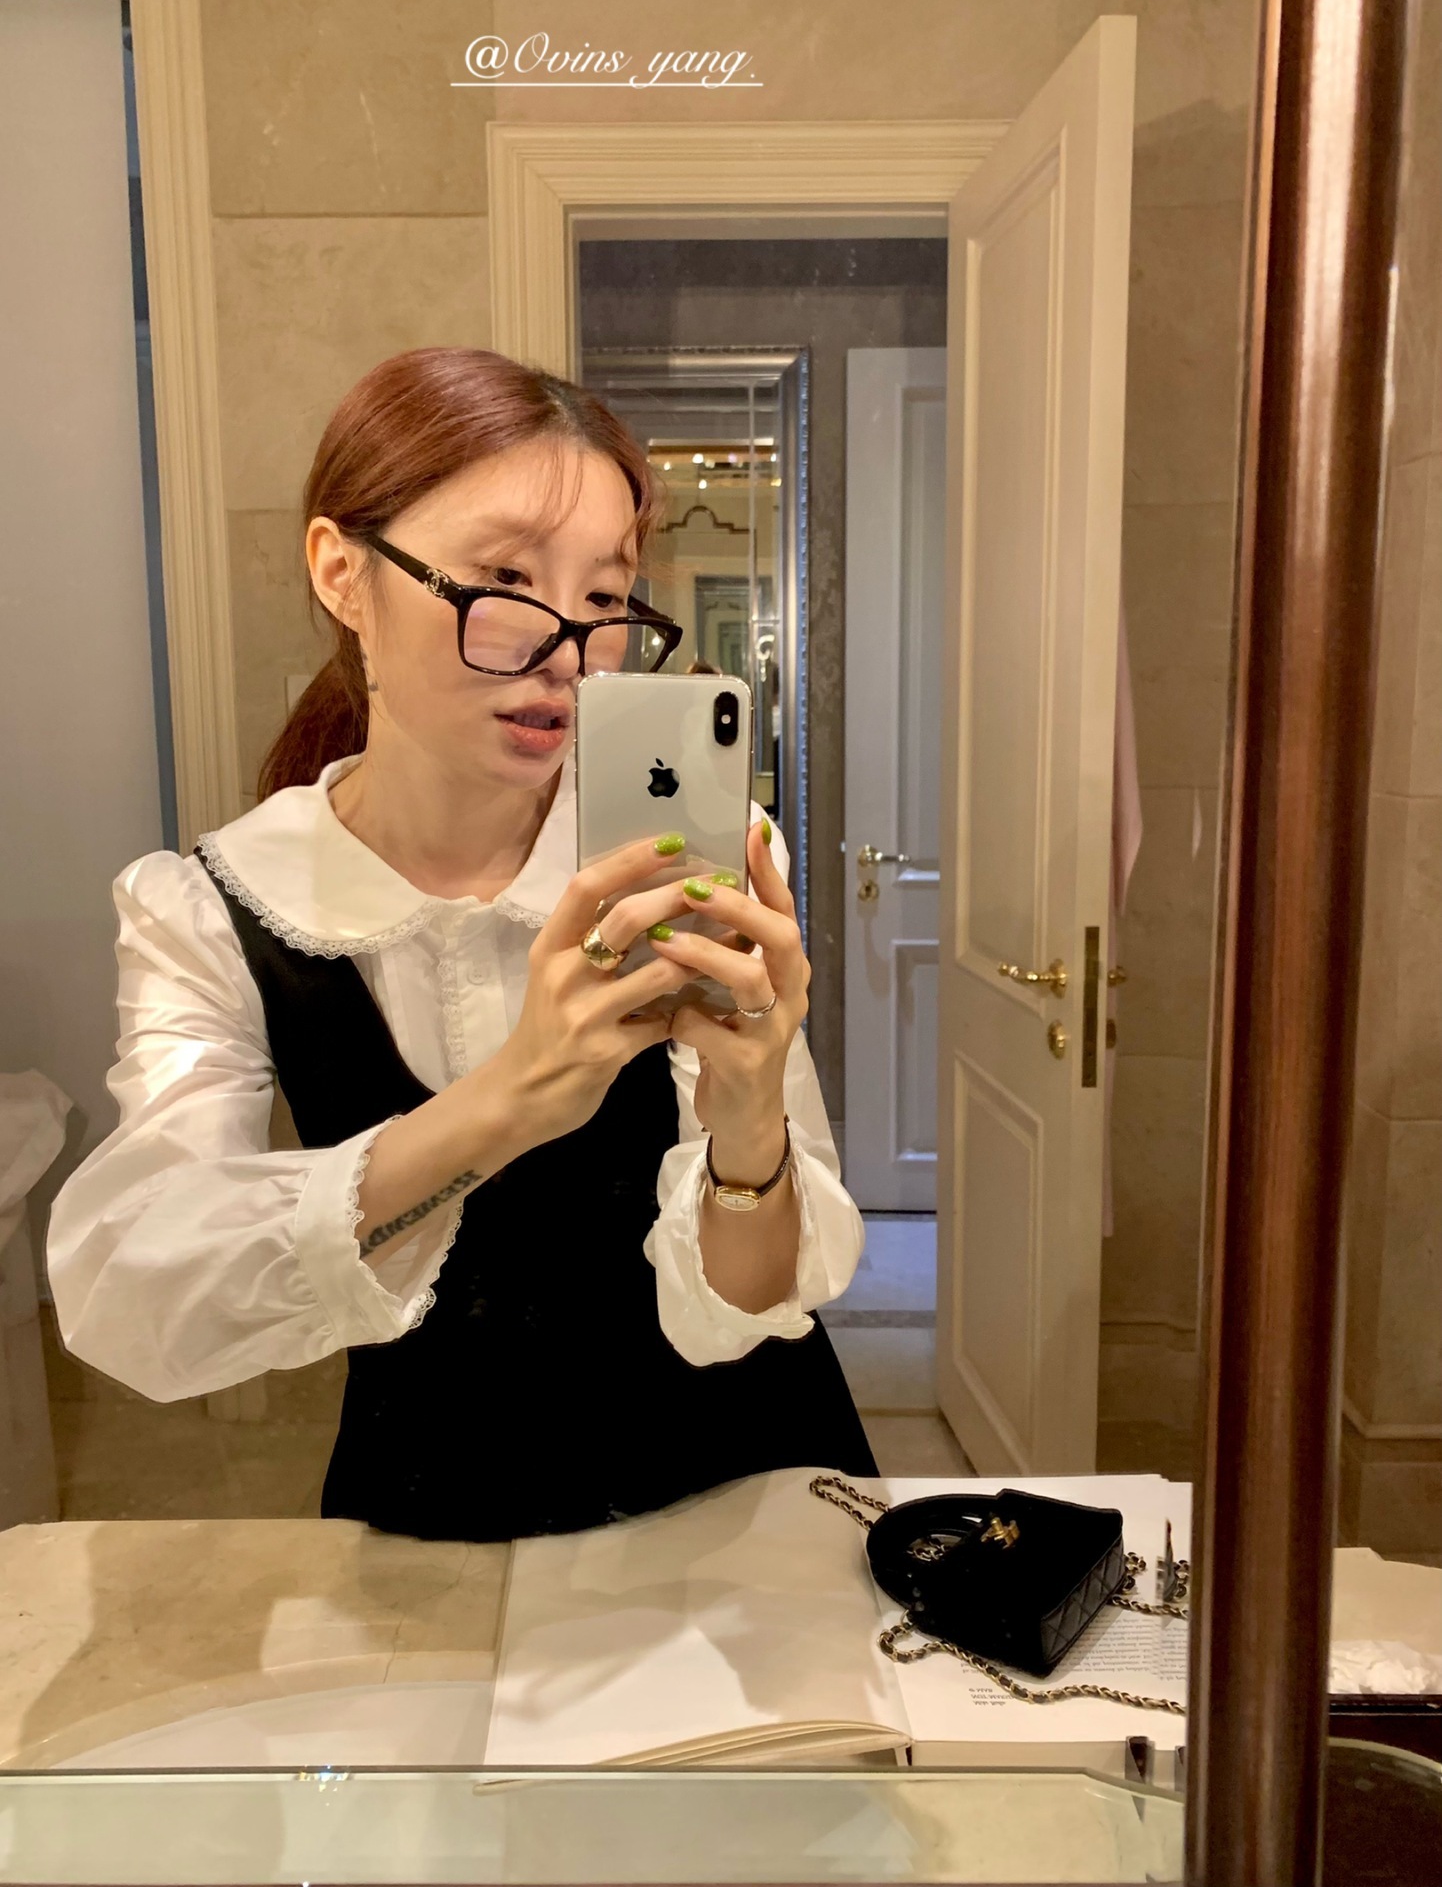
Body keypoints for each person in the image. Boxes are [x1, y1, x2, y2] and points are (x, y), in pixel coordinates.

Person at [48, 346, 877, 1542]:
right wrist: (508, 1101)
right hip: (437, 1507)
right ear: (342, 572)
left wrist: (750, 1123)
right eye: (504, 579)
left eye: (605, 597)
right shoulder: (214, 909)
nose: (567, 651)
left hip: (739, 1507)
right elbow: (139, 1289)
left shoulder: (689, 863)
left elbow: (752, 1313)